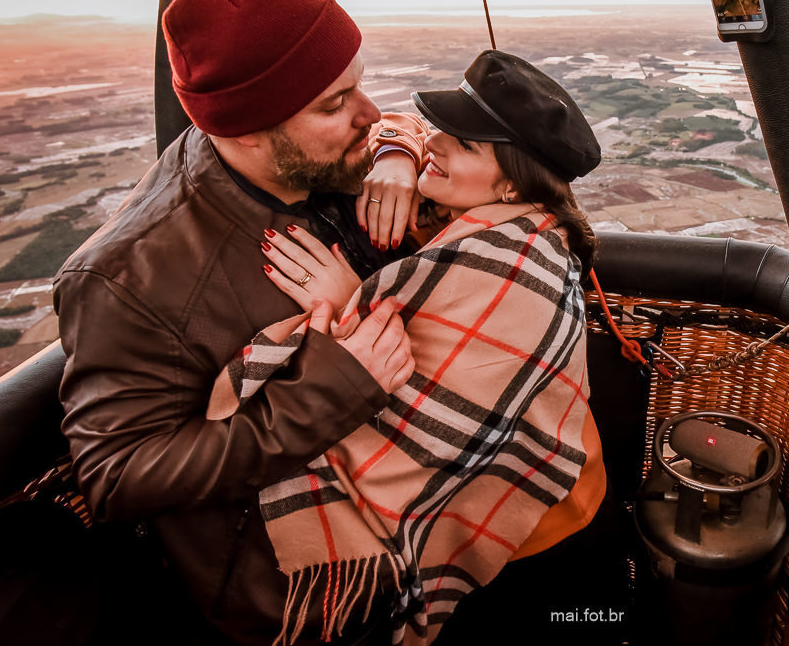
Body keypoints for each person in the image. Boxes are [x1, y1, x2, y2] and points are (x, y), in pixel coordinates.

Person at [54, 0, 431, 646]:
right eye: (336, 103)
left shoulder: (316, 158)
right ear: (246, 128)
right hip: (301, 592)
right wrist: (329, 390)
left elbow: (395, 124)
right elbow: (114, 474)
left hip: (402, 515)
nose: (368, 113)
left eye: (359, 85)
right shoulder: (128, 279)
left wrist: (396, 152)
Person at [211, 50, 616, 646]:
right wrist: (398, 157)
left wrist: (354, 303)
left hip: (538, 526)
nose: (439, 145)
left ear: (510, 181)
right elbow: (400, 126)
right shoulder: (482, 213)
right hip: (516, 511)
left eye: (466, 145)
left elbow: (432, 404)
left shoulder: (517, 262)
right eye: (444, 131)